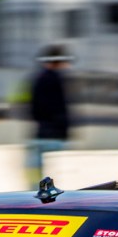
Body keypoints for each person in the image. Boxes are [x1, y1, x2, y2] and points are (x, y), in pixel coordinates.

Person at [27, 44, 73, 172]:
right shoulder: (54, 79)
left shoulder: (39, 78)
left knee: (37, 170)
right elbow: (57, 108)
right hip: (53, 135)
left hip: (42, 132)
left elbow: (35, 109)